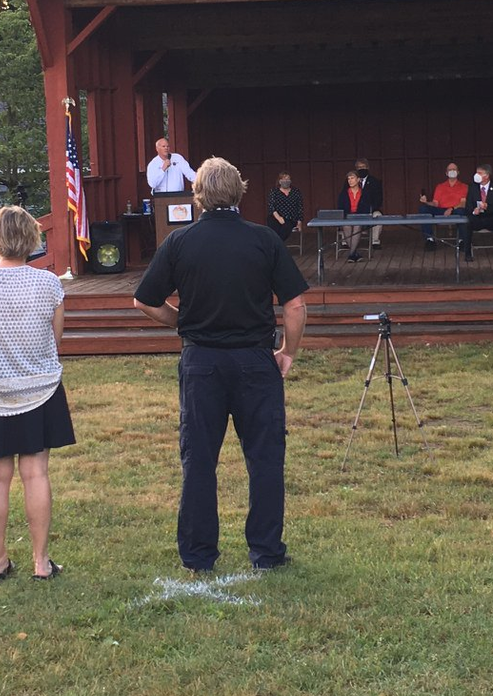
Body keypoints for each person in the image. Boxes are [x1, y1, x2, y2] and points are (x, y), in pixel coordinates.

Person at [132, 157, 309, 574]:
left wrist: (184, 322)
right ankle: (266, 552)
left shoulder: (179, 242)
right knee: (265, 459)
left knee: (199, 460)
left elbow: (144, 300)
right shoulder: (264, 240)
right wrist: (288, 351)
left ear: (198, 196)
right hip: (255, 360)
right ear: (240, 192)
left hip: (201, 363)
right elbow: (296, 305)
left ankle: (198, 555)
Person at [0, 206, 76, 582]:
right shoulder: (48, 283)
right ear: (32, 239)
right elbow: (55, 340)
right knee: (36, 472)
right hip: (39, 389)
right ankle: (41, 562)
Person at [418, 162, 469, 251]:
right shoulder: (440, 187)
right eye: (450, 170)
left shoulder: (464, 187)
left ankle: (462, 241)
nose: (452, 171)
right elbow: (435, 204)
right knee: (423, 209)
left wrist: (451, 209)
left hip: (456, 210)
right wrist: (426, 202)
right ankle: (429, 240)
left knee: (463, 211)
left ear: (458, 172)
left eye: (454, 169)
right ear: (446, 173)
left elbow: (463, 203)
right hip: (441, 210)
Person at [462, 164, 493, 262]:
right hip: (477, 218)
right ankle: (467, 253)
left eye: (479, 173)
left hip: (491, 218)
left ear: (486, 175)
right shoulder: (472, 187)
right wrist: (474, 211)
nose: (476, 175)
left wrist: (487, 207)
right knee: (467, 222)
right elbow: (468, 206)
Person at [353, 157, 384, 248]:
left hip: (371, 210)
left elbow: (379, 200)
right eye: (359, 167)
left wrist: (369, 208)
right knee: (344, 215)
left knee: (378, 216)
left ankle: (375, 241)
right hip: (354, 210)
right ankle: (346, 242)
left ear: (368, 167)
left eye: (363, 167)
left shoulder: (375, 182)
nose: (361, 169)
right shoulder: (350, 181)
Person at [265, 171, 304, 242]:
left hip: (291, 218)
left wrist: (299, 223)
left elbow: (300, 208)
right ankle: (275, 246)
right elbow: (271, 206)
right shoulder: (274, 192)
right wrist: (279, 218)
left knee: (285, 229)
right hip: (276, 217)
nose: (286, 181)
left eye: (287, 179)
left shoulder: (296, 192)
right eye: (283, 179)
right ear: (279, 181)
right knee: (274, 228)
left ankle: (277, 246)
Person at [338, 170, 367, 263]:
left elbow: (367, 208)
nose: (350, 181)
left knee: (357, 226)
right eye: (348, 179)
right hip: (347, 217)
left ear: (358, 180)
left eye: (352, 178)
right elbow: (340, 209)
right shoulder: (343, 193)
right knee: (346, 226)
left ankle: (351, 254)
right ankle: (354, 254)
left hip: (360, 217)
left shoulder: (364, 193)